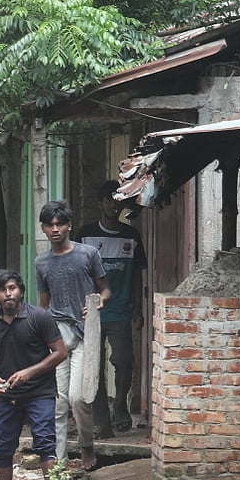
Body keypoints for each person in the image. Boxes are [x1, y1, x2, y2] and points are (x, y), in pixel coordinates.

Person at [0, 269, 66, 480]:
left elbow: (60, 352)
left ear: (21, 291)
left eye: (13, 288)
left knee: (46, 445)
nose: (9, 294)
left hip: (40, 392)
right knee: (3, 448)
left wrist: (29, 373)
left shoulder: (39, 317)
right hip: (8, 395)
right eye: (3, 289)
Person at [35, 202, 110, 471]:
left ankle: (86, 445)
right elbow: (43, 305)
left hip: (85, 332)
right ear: (43, 228)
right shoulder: (41, 262)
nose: (55, 229)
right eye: (49, 225)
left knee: (79, 397)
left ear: (69, 225)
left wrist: (98, 302)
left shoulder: (87, 254)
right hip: (57, 337)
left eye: (60, 224)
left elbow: (105, 290)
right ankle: (59, 460)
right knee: (58, 401)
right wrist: (37, 337)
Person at [78, 181, 146, 436]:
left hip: (121, 310)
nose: (112, 204)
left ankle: (120, 407)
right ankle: (101, 422)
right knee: (94, 366)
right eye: (108, 199)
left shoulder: (132, 236)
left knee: (124, 361)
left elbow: (139, 275)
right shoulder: (84, 235)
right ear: (100, 203)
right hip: (91, 313)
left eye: (117, 199)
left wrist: (138, 309)